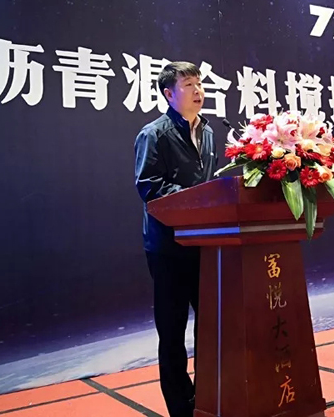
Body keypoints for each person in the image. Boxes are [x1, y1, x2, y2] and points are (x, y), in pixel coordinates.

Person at [133, 61, 217, 417]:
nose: (198, 91)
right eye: (189, 84)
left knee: (212, 327)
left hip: (206, 244)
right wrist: (198, 198)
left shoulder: (209, 131)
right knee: (172, 332)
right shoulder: (154, 134)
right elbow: (149, 187)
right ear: (169, 94)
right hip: (168, 248)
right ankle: (181, 409)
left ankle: (210, 398)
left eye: (200, 83)